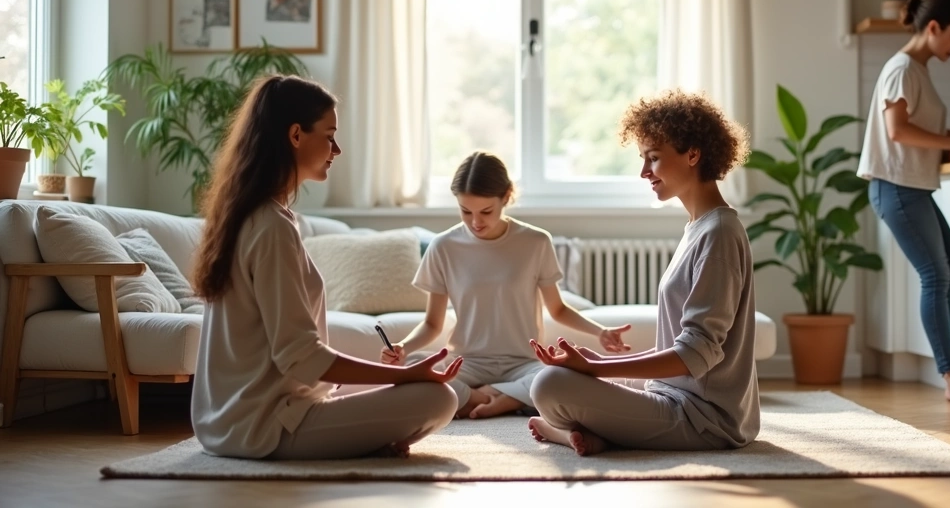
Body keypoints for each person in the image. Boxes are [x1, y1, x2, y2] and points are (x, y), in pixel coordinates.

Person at [190, 75, 462, 460]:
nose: (337, 149)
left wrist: (400, 376)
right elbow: (300, 357)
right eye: (330, 135)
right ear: (296, 135)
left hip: (233, 421)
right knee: (437, 397)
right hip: (263, 427)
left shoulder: (248, 217)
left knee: (413, 382)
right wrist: (402, 375)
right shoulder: (271, 228)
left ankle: (368, 435)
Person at [527, 89, 759, 456]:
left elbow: (697, 354)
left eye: (653, 158)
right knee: (551, 381)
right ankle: (596, 435)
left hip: (706, 419)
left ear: (693, 154)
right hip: (671, 395)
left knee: (549, 385)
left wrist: (597, 370)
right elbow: (676, 349)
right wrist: (598, 362)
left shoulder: (719, 233)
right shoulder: (699, 228)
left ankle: (576, 432)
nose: (643, 172)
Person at [381, 151, 632, 419]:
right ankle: (502, 398)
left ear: (507, 196)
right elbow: (432, 323)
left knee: (564, 375)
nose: (476, 222)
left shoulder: (536, 242)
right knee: (414, 368)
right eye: (466, 211)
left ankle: (483, 399)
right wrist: (403, 348)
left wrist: (600, 332)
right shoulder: (443, 247)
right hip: (467, 364)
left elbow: (557, 309)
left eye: (486, 211)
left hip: (524, 364)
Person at [857, 0, 950, 407]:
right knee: (937, 273)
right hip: (896, 187)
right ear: (932, 28)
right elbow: (897, 131)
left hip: (910, 185)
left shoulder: (916, 69)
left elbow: (911, 132)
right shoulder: (902, 68)